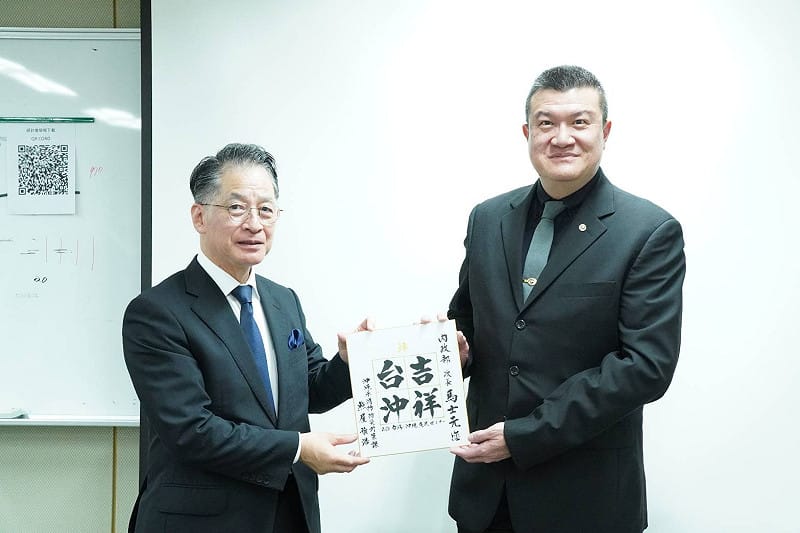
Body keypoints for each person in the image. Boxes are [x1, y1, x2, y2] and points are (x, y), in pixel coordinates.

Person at [447, 65, 686, 533]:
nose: (562, 137)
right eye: (546, 123)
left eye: (579, 122)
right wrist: (457, 351)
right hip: (485, 497)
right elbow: (467, 321)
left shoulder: (648, 232)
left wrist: (524, 435)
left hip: (585, 500)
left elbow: (645, 367)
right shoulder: (487, 218)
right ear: (527, 133)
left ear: (605, 131)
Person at [122, 143, 370, 533]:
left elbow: (308, 391)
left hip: (290, 513)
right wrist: (298, 448)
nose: (254, 224)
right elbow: (192, 430)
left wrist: (349, 361)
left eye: (266, 209)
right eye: (237, 208)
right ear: (199, 216)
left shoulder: (283, 300)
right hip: (204, 522)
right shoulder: (157, 312)